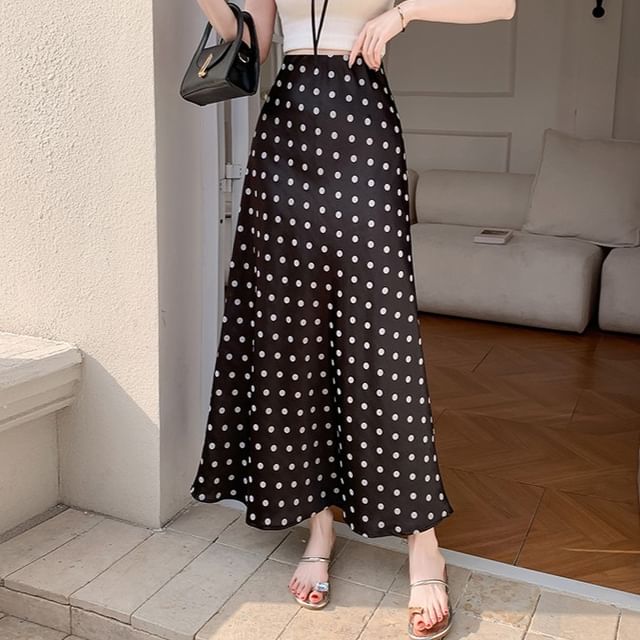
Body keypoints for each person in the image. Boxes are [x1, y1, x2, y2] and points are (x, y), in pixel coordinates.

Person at [191, 1, 516, 638]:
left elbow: (500, 5)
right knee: (292, 331)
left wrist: (403, 14)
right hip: (284, 133)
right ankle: (319, 526)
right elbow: (254, 43)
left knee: (380, 332)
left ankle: (423, 542)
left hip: (361, 124)